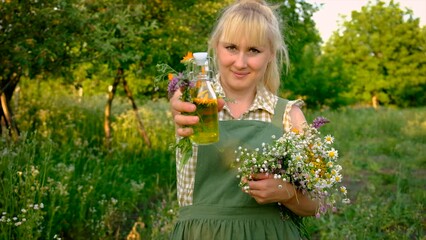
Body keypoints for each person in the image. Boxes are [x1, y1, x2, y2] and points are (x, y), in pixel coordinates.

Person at [169, 0, 319, 239]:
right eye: (231, 47)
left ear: (270, 54)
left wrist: (287, 193)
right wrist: (180, 106)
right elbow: (179, 106)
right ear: (215, 47)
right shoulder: (191, 103)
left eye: (254, 51)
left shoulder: (290, 116)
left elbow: (316, 206)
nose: (240, 62)